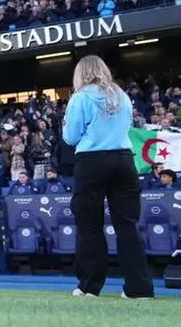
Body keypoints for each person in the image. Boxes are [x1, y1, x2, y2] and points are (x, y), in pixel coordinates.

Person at [63, 55, 153, 299]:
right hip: (124, 159)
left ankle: (90, 286)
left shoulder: (80, 98)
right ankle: (140, 288)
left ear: (81, 74)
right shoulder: (121, 96)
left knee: (90, 224)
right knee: (127, 225)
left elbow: (70, 137)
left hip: (92, 160)